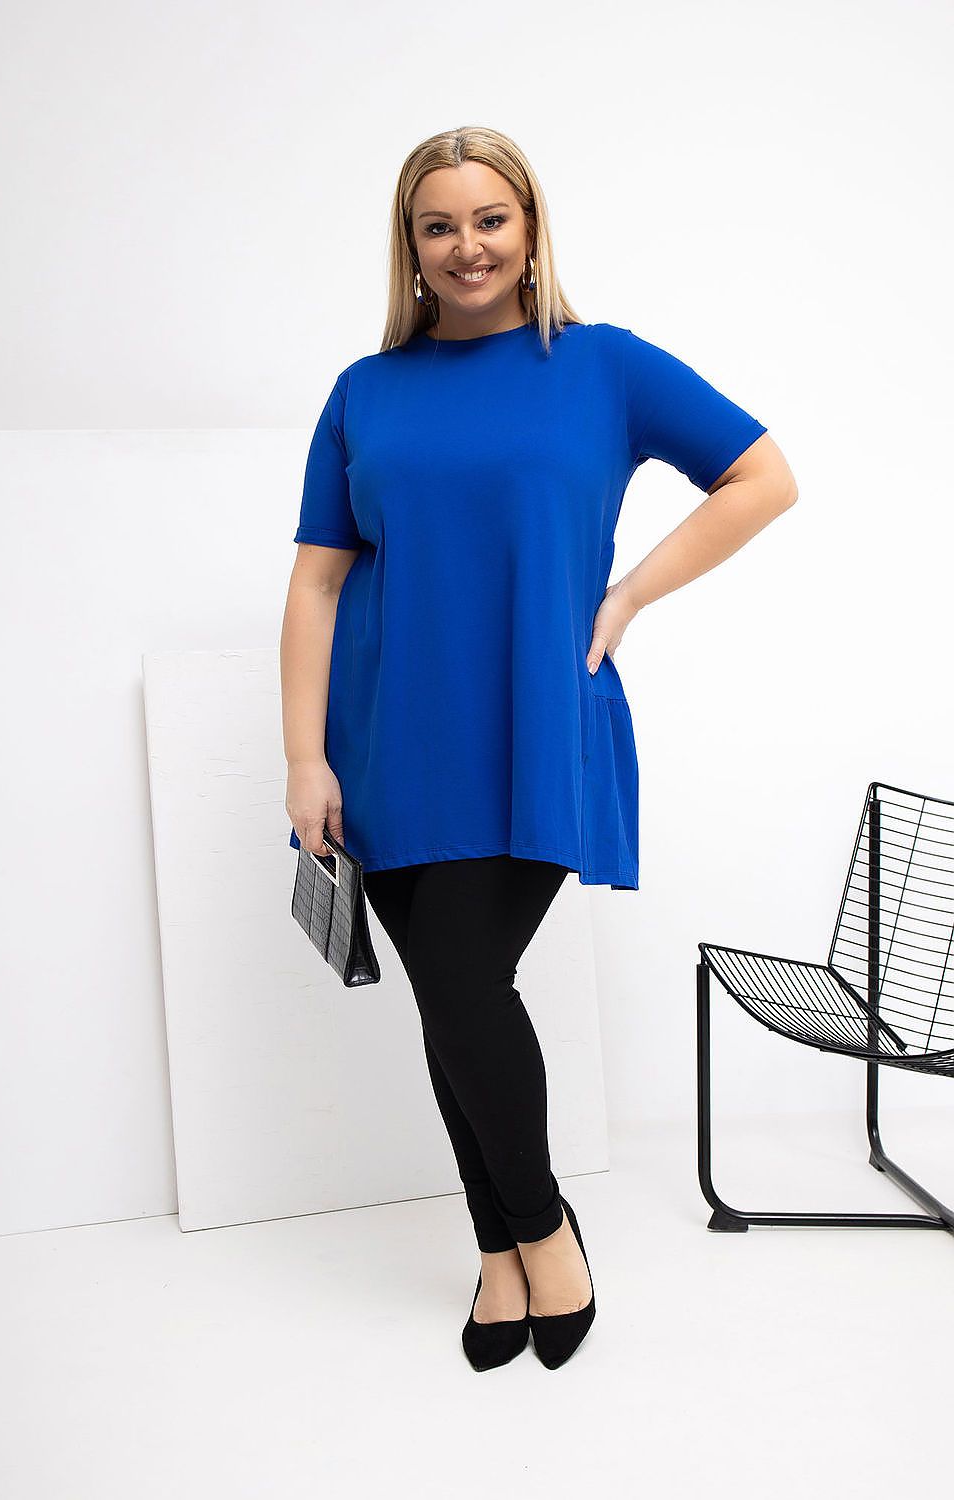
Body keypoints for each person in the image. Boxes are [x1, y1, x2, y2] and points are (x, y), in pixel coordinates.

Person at [279, 125, 799, 1370]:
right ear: (409, 246)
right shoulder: (366, 390)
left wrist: (620, 601)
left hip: (534, 727)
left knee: (464, 987)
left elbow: (761, 477)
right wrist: (306, 760)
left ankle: (544, 1231)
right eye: (439, 225)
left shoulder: (602, 366)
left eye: (490, 220)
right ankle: (500, 1249)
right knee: (451, 1000)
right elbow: (312, 586)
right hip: (388, 740)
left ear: (530, 228)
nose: (468, 247)